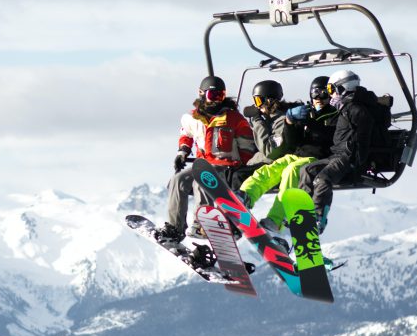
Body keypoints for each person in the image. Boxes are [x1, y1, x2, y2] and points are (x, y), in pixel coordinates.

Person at [154, 76, 255, 243]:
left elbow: (247, 146)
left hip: (227, 167)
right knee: (177, 179)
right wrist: (182, 152)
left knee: (202, 177)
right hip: (204, 164)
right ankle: (175, 227)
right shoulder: (192, 118)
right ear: (201, 94)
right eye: (211, 96)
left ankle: (203, 223)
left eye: (219, 96)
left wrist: (243, 170)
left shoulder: (234, 119)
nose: (215, 101)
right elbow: (186, 134)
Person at [236, 76, 338, 232]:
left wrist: (310, 123)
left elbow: (331, 139)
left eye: (324, 93)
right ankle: (245, 196)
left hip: (318, 158)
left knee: (291, 171)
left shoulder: (335, 115)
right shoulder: (307, 113)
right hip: (298, 154)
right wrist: (290, 122)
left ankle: (276, 220)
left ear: (331, 95)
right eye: (315, 93)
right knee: (270, 169)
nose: (319, 98)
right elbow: (291, 142)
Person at [299, 69, 377, 233]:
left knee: (322, 179)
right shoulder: (346, 108)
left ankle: (318, 217)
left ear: (342, 88)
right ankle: (303, 212)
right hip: (337, 154)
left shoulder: (357, 109)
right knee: (306, 170)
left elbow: (364, 134)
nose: (330, 95)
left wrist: (358, 161)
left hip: (349, 157)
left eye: (330, 90)